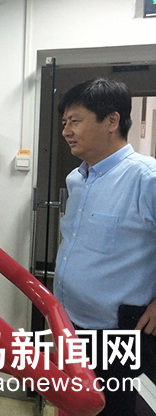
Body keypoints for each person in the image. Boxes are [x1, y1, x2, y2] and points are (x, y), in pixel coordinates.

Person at [54, 78, 156, 416]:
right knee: (74, 405)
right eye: (64, 122)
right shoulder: (76, 179)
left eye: (75, 121)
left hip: (120, 336)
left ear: (112, 121)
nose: (66, 131)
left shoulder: (147, 178)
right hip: (70, 326)